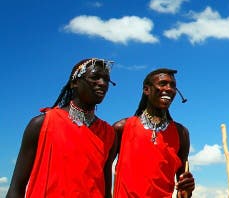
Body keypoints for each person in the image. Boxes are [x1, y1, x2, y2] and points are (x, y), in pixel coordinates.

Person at [7, 57, 117, 197]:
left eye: (106, 79)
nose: (102, 83)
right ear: (75, 83)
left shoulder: (108, 133)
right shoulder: (42, 124)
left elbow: (106, 189)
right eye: (95, 77)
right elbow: (16, 186)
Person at [113, 68, 195, 197]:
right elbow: (103, 172)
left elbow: (183, 189)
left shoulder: (181, 133)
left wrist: (187, 189)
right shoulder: (122, 128)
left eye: (172, 85)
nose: (169, 89)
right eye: (163, 84)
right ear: (147, 90)